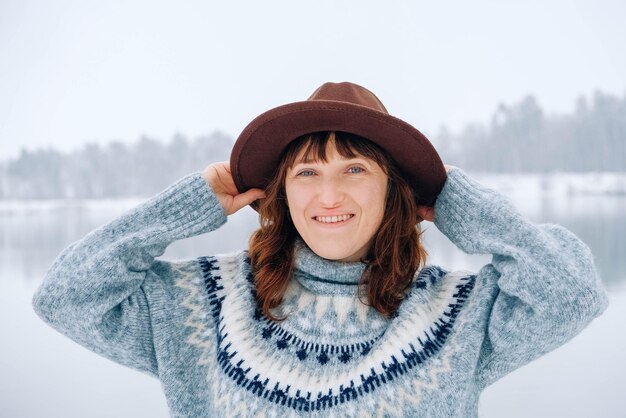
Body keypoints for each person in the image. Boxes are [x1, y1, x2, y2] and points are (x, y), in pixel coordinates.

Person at [32, 82, 609, 417]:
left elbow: (574, 293)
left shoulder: (460, 316)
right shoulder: (201, 306)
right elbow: (65, 297)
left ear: (394, 192)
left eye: (355, 168)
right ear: (282, 192)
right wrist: (184, 207)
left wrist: (461, 201)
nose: (328, 194)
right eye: (306, 171)